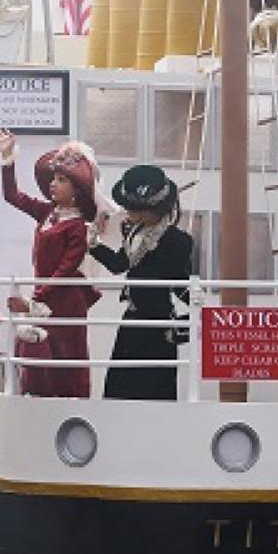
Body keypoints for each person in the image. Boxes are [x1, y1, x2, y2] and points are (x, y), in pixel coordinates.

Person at [0, 128, 101, 398]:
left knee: (63, 360)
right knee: (38, 359)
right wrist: (8, 159)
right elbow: (12, 196)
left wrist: (33, 301)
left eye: (61, 180)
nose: (53, 184)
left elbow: (66, 268)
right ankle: (37, 403)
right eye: (53, 178)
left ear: (76, 191)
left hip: (65, 299)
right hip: (47, 295)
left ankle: (68, 405)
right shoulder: (47, 214)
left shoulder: (77, 227)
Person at [87, 165, 193, 401]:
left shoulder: (176, 241)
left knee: (153, 390)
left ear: (156, 208)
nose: (130, 213)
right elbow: (119, 265)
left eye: (137, 209)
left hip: (158, 327)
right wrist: (94, 246)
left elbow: (181, 285)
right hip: (132, 322)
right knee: (120, 388)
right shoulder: (134, 233)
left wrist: (191, 317)